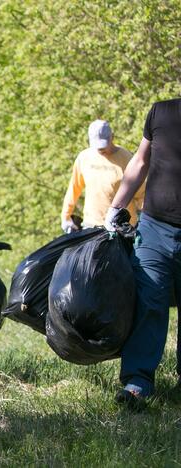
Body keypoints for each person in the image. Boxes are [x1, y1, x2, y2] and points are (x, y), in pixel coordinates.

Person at [106, 98, 181, 410]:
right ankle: (138, 383)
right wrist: (116, 206)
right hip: (154, 227)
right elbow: (139, 161)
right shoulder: (161, 112)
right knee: (150, 299)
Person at [60, 119, 144, 233]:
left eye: (103, 144)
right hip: (92, 225)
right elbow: (74, 188)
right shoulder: (84, 158)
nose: (100, 148)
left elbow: (141, 193)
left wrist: (147, 220)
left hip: (122, 227)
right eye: (97, 144)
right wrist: (66, 216)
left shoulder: (126, 158)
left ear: (112, 137)